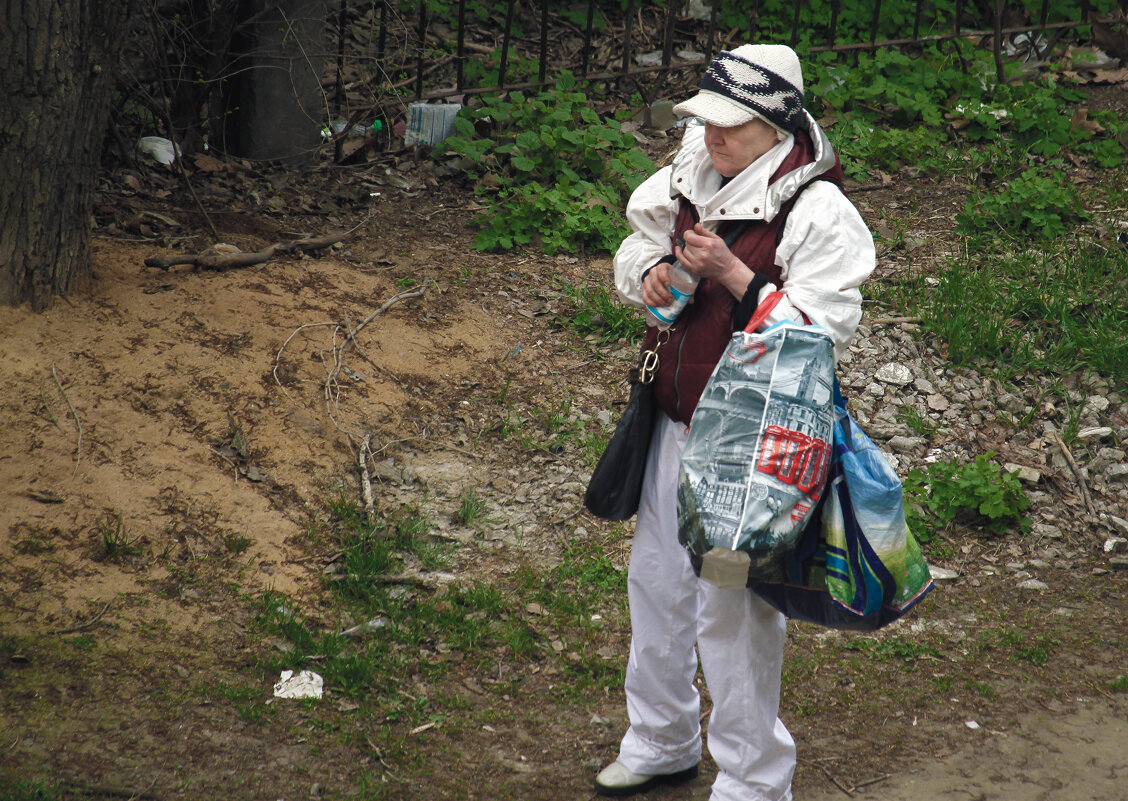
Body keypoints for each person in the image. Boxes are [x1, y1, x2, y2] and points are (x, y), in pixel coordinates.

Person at [595, 44, 875, 800]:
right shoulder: (693, 172)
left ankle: (753, 779)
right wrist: (648, 272)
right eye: (706, 123)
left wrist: (737, 277)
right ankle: (661, 739)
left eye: (731, 127)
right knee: (655, 585)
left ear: (776, 127)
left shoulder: (817, 210)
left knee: (731, 606)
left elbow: (822, 331)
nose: (712, 139)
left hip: (751, 457)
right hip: (670, 425)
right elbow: (635, 245)